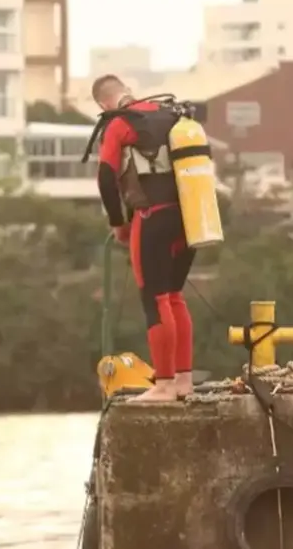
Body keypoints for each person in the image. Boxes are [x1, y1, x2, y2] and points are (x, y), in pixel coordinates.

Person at [91, 74, 196, 402]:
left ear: (103, 104)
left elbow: (107, 178)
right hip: (191, 217)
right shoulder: (171, 114)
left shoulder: (119, 123)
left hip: (153, 217)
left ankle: (163, 385)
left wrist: (118, 223)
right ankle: (183, 381)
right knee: (175, 296)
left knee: (155, 299)